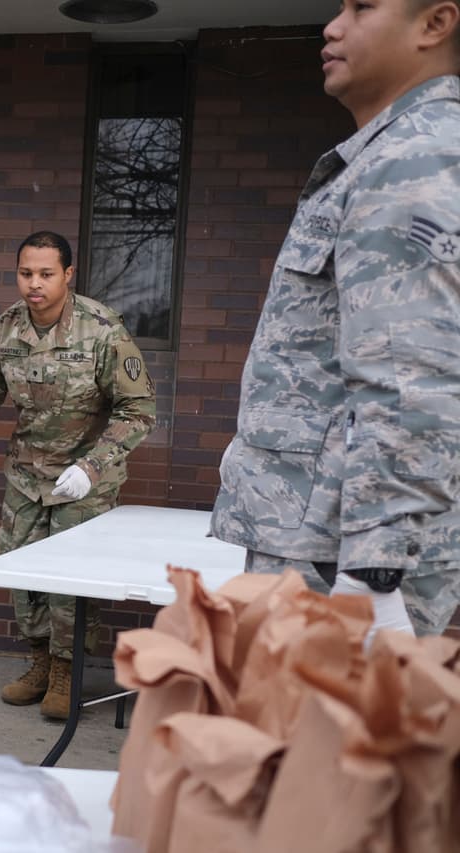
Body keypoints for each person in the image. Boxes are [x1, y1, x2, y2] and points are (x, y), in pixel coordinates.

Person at [212, 0, 460, 637]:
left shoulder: (414, 161)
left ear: (435, 24)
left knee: (314, 734)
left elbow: (415, 377)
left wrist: (378, 572)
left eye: (363, 7)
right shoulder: (389, 154)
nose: (333, 25)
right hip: (319, 534)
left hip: (339, 555)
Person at [0, 232, 155, 719]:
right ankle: (40, 664)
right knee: (23, 575)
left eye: (46, 274)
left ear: (68, 275)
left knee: (72, 582)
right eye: (26, 273)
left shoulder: (102, 329)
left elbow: (138, 410)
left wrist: (91, 468)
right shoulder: (4, 332)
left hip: (84, 480)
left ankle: (67, 673)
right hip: (28, 476)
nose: (34, 284)